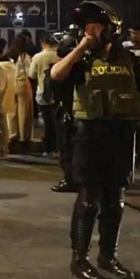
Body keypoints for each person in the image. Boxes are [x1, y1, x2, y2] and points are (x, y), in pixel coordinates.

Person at [50, 0, 140, 279]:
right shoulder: (79, 58)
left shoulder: (128, 59)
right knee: (88, 200)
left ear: (110, 29)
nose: (90, 32)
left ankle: (108, 256)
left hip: (122, 135)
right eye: (86, 27)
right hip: (89, 135)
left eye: (95, 27)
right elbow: (56, 75)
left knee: (115, 200)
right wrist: (81, 47)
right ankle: (79, 259)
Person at [49, 28, 79, 193]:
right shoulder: (63, 67)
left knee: (68, 148)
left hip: (69, 111)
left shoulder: (65, 68)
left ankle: (71, 179)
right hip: (71, 110)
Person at [29, 35, 60, 157]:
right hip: (58, 93)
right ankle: (59, 147)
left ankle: (48, 149)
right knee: (58, 121)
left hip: (43, 93)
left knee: (47, 122)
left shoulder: (38, 57)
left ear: (43, 44)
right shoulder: (59, 55)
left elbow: (31, 74)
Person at [0, 51, 17, 159]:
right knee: (4, 124)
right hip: (8, 96)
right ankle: (4, 148)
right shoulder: (12, 65)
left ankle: (1, 150)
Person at [9, 36, 34, 150]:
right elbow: (30, 73)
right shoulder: (25, 56)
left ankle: (12, 134)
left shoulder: (9, 54)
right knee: (24, 111)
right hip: (23, 83)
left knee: (12, 112)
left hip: (10, 84)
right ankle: (23, 137)